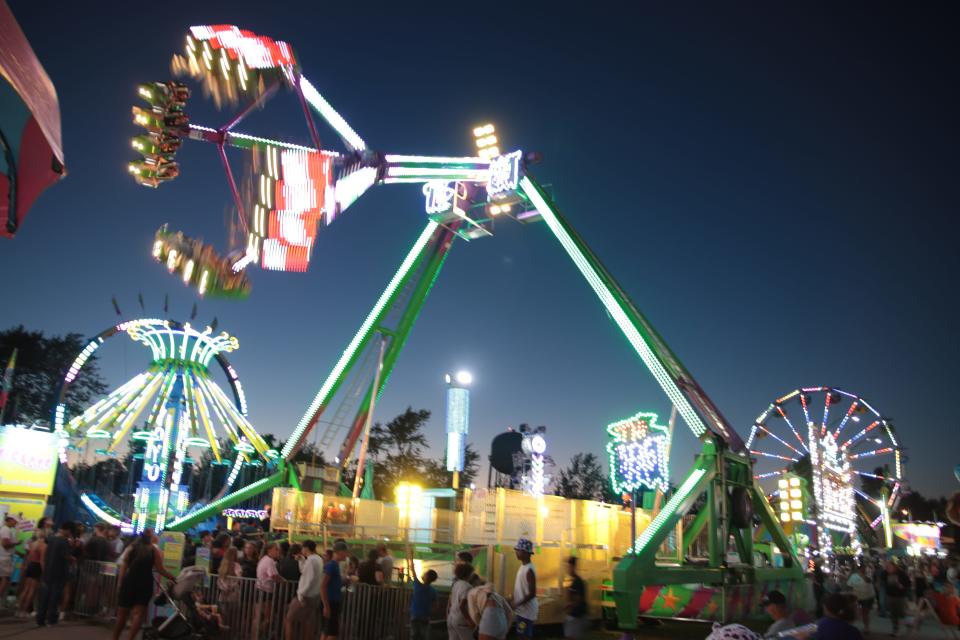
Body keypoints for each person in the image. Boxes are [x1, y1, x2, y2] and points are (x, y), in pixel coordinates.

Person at [112, 530, 176, 640]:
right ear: (151, 538)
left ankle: (115, 638)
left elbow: (123, 567)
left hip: (129, 582)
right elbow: (161, 570)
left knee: (122, 614)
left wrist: (120, 584)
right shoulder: (153, 550)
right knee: (138, 614)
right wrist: (173, 577)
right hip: (145, 583)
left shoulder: (131, 548)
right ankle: (130, 638)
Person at [36, 521, 74, 627]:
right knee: (55, 596)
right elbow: (66, 556)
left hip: (48, 570)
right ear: (68, 530)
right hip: (59, 571)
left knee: (44, 596)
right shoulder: (64, 541)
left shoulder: (50, 539)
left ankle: (40, 618)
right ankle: (51, 618)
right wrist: (72, 558)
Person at [285, 540, 322, 640]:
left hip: (306, 595)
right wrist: (301, 560)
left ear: (306, 548)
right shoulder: (317, 559)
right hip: (315, 595)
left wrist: (301, 595)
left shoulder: (311, 561)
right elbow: (305, 571)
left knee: (289, 619)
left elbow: (307, 578)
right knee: (307, 621)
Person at [405, 544, 437, 640]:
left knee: (414, 636)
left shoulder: (418, 585)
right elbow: (435, 606)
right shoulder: (433, 591)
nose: (423, 574)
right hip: (425, 617)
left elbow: (412, 569)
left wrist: (411, 555)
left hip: (415, 615)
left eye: (425, 573)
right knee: (424, 636)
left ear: (426, 577)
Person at [321, 540, 348, 640]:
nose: (346, 555)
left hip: (333, 602)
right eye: (345, 552)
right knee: (332, 633)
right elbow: (322, 585)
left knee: (327, 631)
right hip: (331, 602)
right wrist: (326, 606)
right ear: (340, 552)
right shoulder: (332, 565)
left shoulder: (335, 565)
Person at [18, 523, 46, 617]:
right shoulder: (43, 546)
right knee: (31, 590)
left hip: (30, 565)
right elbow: (42, 560)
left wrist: (25, 566)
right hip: (37, 567)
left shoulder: (33, 544)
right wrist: (44, 571)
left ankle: (19, 610)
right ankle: (25, 611)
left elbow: (29, 557)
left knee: (25, 589)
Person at [512, 538, 538, 638]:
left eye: (518, 550)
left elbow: (532, 593)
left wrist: (517, 603)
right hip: (522, 610)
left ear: (526, 553)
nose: (516, 552)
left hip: (526, 613)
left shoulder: (529, 570)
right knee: (521, 634)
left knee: (523, 635)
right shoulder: (523, 566)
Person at [254, 542, 281, 640]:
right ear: (269, 550)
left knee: (258, 617)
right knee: (268, 618)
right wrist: (283, 581)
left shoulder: (264, 559)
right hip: (265, 591)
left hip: (260, 589)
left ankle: (255, 635)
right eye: (276, 549)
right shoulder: (269, 561)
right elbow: (273, 575)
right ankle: (256, 634)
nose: (278, 552)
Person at [217, 546, 243, 632]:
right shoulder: (237, 565)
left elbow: (220, 580)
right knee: (233, 618)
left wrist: (224, 588)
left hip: (223, 595)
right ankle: (232, 634)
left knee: (223, 617)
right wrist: (231, 587)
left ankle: (223, 635)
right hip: (233, 595)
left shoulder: (222, 565)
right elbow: (238, 578)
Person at [447, 563, 475, 640]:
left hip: (452, 618)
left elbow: (450, 602)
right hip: (461, 620)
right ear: (468, 574)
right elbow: (462, 606)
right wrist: (468, 620)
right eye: (472, 573)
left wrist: (448, 614)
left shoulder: (456, 584)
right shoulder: (468, 587)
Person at [846, 564, 875, 634]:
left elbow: (869, 581)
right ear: (859, 569)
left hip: (867, 597)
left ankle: (866, 627)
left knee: (865, 612)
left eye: (865, 568)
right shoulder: (854, 576)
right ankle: (850, 626)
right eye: (862, 568)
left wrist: (863, 575)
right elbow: (849, 585)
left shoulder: (868, 575)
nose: (864, 570)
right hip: (857, 597)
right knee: (853, 612)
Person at [883, 560, 910, 636]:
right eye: (887, 567)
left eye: (890, 567)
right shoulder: (885, 573)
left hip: (900, 596)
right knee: (893, 614)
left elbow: (908, 583)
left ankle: (908, 623)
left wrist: (902, 586)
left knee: (901, 612)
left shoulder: (901, 573)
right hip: (890, 595)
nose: (888, 568)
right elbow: (882, 579)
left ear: (894, 567)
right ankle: (895, 629)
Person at [564, 557, 588, 639]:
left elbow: (578, 599)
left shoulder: (577, 581)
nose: (568, 569)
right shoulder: (574, 580)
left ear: (573, 567)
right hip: (576, 615)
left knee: (571, 636)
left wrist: (569, 607)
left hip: (577, 616)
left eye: (568, 567)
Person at [0, 515, 17, 607]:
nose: (16, 523)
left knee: (5, 579)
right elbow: (5, 544)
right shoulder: (6, 530)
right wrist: (17, 543)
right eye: (15, 521)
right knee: (5, 579)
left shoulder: (5, 529)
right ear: (10, 520)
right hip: (5, 558)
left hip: (4, 557)